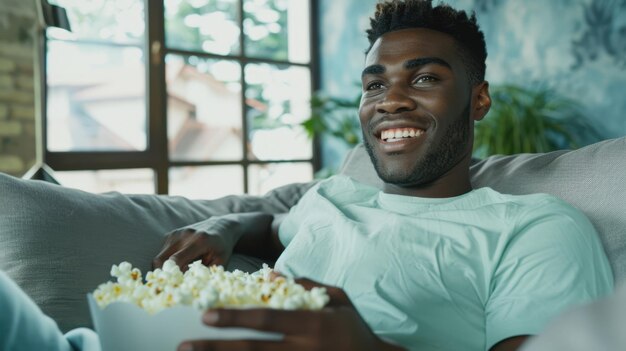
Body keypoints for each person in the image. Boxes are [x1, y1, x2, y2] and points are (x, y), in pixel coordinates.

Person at [152, 1, 614, 351]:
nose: (389, 100)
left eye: (424, 78)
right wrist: (222, 227)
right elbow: (271, 228)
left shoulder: (535, 227)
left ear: (479, 100)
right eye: (374, 84)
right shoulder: (334, 196)